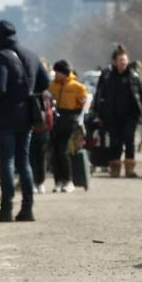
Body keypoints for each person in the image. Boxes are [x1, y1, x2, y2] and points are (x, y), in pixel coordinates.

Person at [0, 20, 50, 222]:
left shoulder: (2, 56)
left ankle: (6, 209)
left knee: (7, 162)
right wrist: (27, 93)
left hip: (6, 117)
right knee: (24, 162)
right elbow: (45, 82)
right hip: (27, 116)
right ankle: (27, 208)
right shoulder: (32, 55)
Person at [93, 44, 142, 178]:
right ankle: (115, 168)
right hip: (112, 115)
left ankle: (129, 169)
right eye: (120, 61)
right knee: (115, 142)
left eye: (125, 60)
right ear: (115, 62)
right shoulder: (108, 76)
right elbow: (99, 95)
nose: (123, 63)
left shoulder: (133, 76)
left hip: (130, 115)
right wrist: (97, 113)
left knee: (129, 140)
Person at [49, 59, 88, 192]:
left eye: (57, 72)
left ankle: (68, 180)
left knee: (63, 151)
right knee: (54, 152)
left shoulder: (77, 87)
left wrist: (80, 120)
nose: (55, 75)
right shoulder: (52, 86)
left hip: (70, 121)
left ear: (64, 73)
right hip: (55, 121)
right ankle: (58, 181)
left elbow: (85, 104)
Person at [28, 58, 54, 194]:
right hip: (34, 125)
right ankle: (35, 181)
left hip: (42, 125)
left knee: (40, 155)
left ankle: (39, 181)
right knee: (33, 155)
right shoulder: (32, 85)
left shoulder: (47, 89)